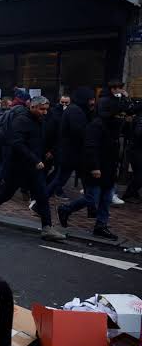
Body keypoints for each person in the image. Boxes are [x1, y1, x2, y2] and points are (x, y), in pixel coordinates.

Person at [0, 96, 66, 241]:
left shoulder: (41, 121)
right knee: (6, 193)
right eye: (42, 109)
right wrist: (35, 159)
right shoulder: (21, 120)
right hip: (18, 166)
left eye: (46, 109)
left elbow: (40, 141)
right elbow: (17, 143)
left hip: (35, 167)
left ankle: (47, 228)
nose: (45, 112)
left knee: (42, 195)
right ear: (32, 107)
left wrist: (47, 152)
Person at [58, 90, 129, 240]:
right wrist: (94, 167)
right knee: (92, 198)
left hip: (109, 167)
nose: (121, 117)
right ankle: (66, 209)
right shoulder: (96, 125)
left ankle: (101, 226)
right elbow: (90, 147)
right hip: (96, 167)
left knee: (106, 199)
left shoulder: (113, 126)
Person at [45, 87, 95, 199]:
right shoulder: (74, 111)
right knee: (60, 178)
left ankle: (91, 206)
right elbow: (78, 132)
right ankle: (40, 200)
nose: (92, 102)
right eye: (91, 99)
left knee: (64, 178)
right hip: (71, 152)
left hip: (73, 152)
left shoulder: (79, 110)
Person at [123, 104, 142, 203]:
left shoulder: (137, 118)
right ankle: (128, 194)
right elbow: (139, 133)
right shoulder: (140, 119)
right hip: (137, 150)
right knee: (139, 174)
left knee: (138, 173)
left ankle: (133, 193)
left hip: (134, 149)